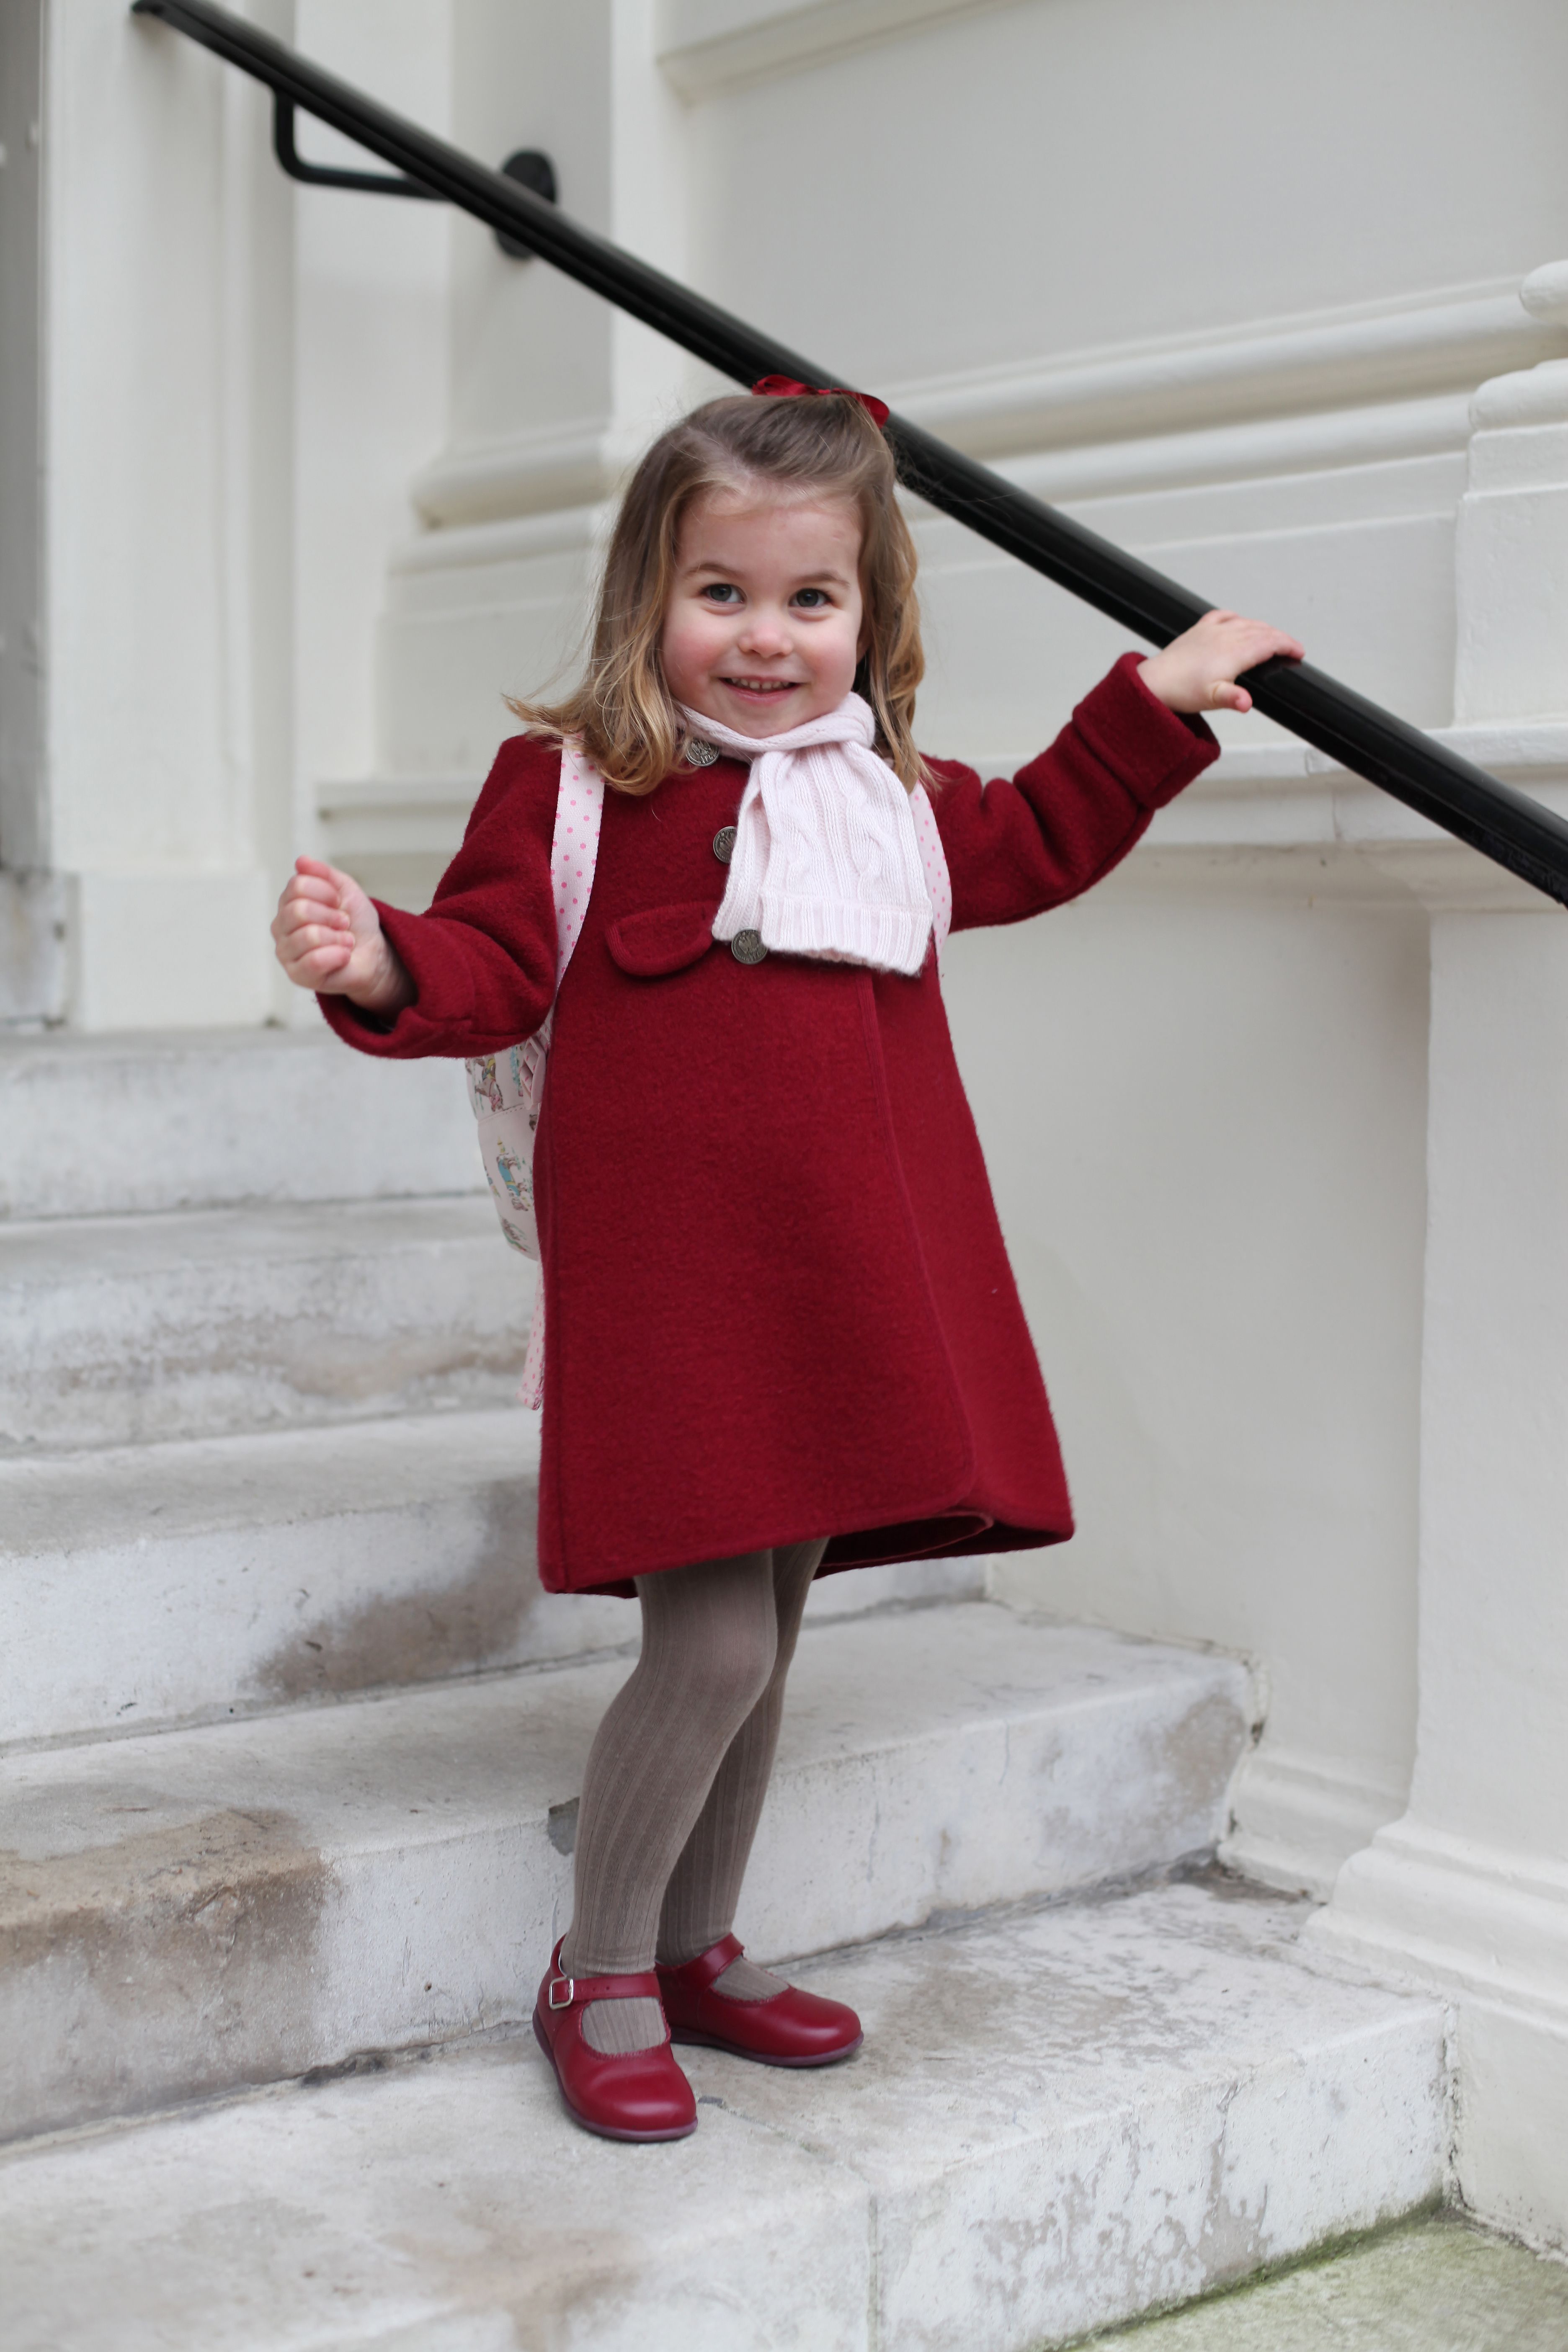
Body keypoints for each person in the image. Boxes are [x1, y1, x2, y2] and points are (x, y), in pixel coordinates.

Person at [272, 382, 1302, 2144]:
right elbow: (494, 961)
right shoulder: (578, 786)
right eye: (721, 594)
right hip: (682, 1296)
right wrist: (379, 959)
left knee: (782, 1622)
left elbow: (1044, 833)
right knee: (717, 1651)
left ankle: (690, 1945)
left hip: (843, 1278)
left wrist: (1152, 705)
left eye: (809, 601)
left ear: (871, 619)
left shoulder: (885, 793)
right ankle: (596, 1969)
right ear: (645, 600)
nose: (764, 638)